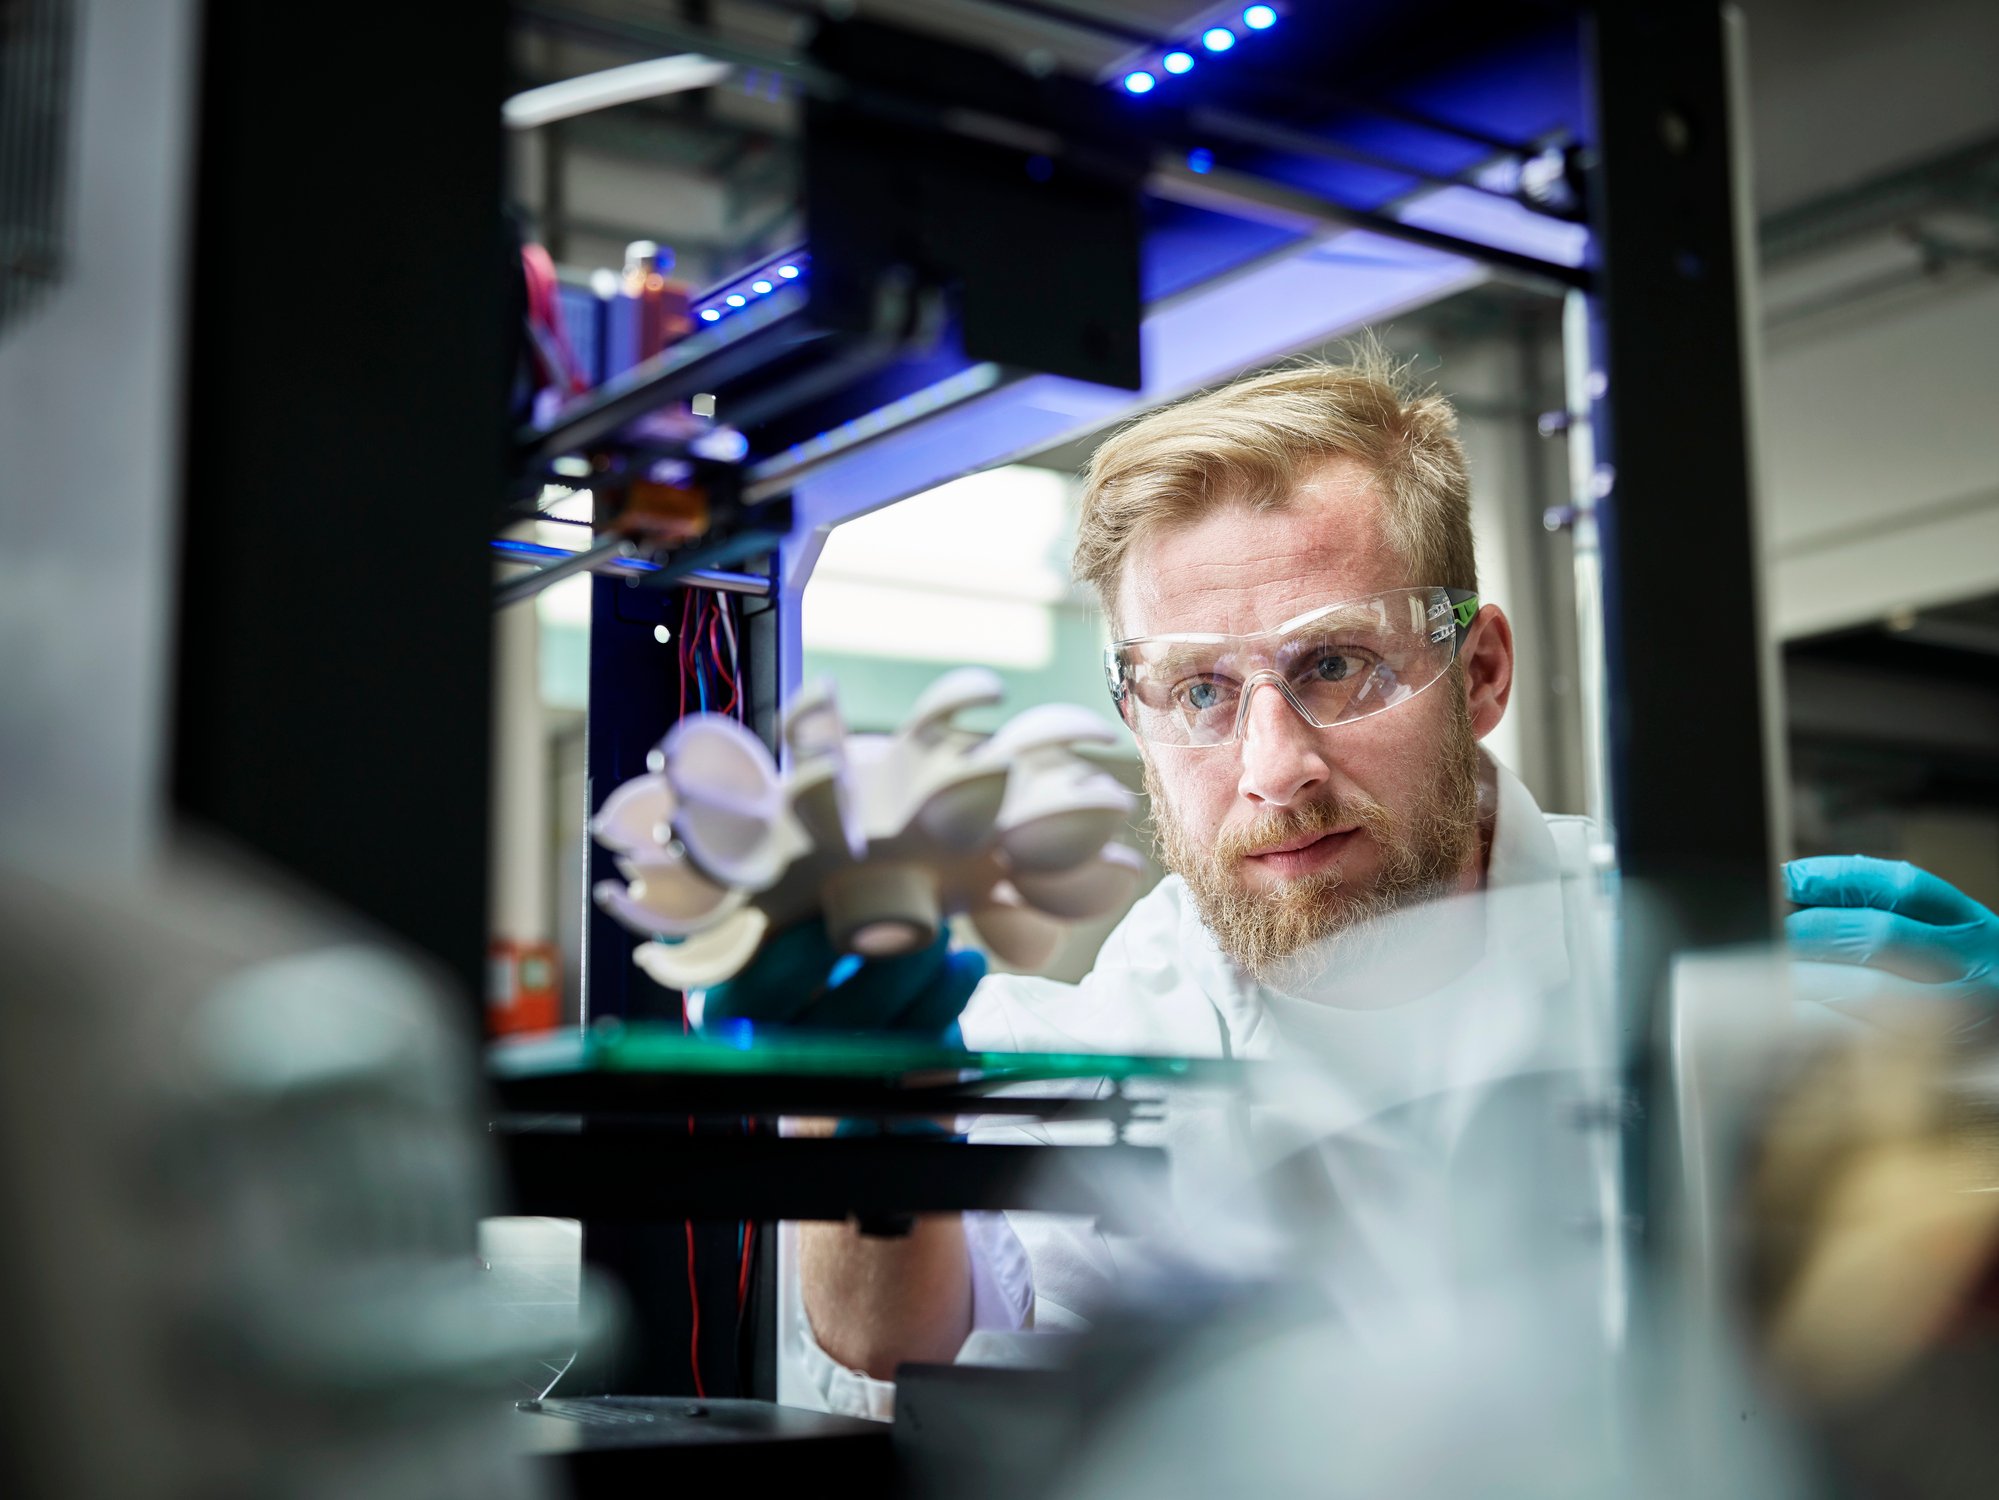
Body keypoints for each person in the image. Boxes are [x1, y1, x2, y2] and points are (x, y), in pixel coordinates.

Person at [702, 354, 1999, 1418]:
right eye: (1201, 692)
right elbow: (887, 1340)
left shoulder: (1716, 968)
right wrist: (861, 1107)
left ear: (1481, 673)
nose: (1275, 770)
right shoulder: (1117, 1037)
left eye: (1334, 667)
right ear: (1134, 713)